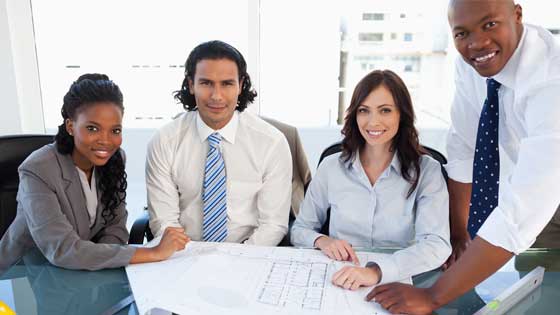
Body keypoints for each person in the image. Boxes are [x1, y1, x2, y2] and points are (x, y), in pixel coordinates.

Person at [368, 1, 560, 314]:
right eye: (462, 33)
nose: (476, 43)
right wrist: (461, 233)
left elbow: (519, 214)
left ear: (518, 15)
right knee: (539, 296)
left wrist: (432, 296)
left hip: (542, 188)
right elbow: (463, 151)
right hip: (543, 198)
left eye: (489, 25)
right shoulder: (475, 63)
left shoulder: (551, 81)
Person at [0, 74, 188, 274]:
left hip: (83, 271)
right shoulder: (38, 169)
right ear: (70, 126)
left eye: (115, 130)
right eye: (92, 128)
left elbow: (115, 229)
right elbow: (62, 249)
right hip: (27, 276)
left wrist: (100, 270)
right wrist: (153, 253)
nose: (105, 141)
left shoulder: (114, 159)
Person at [290, 69, 451, 289]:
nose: (373, 122)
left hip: (400, 278)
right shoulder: (331, 167)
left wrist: (376, 272)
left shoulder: (427, 171)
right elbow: (299, 230)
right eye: (364, 111)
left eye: (385, 110)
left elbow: (437, 244)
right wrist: (322, 240)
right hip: (338, 278)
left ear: (401, 115)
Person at [146, 41, 292, 246]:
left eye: (227, 83)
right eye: (206, 83)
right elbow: (164, 222)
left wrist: (237, 260)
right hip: (185, 253)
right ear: (191, 84)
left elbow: (273, 225)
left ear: (241, 85)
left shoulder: (271, 143)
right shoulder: (164, 141)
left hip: (249, 255)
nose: (216, 96)